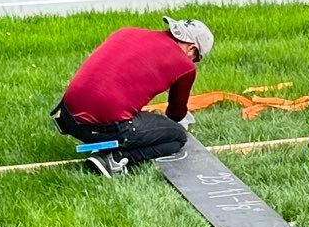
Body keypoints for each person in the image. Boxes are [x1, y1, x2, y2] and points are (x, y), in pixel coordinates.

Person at [53, 16, 215, 174]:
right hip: (102, 128)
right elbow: (176, 114)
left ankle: (110, 145)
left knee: (147, 121)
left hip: (67, 118)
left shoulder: (126, 32)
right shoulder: (185, 66)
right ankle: (115, 159)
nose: (193, 62)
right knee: (177, 136)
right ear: (192, 49)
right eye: (196, 58)